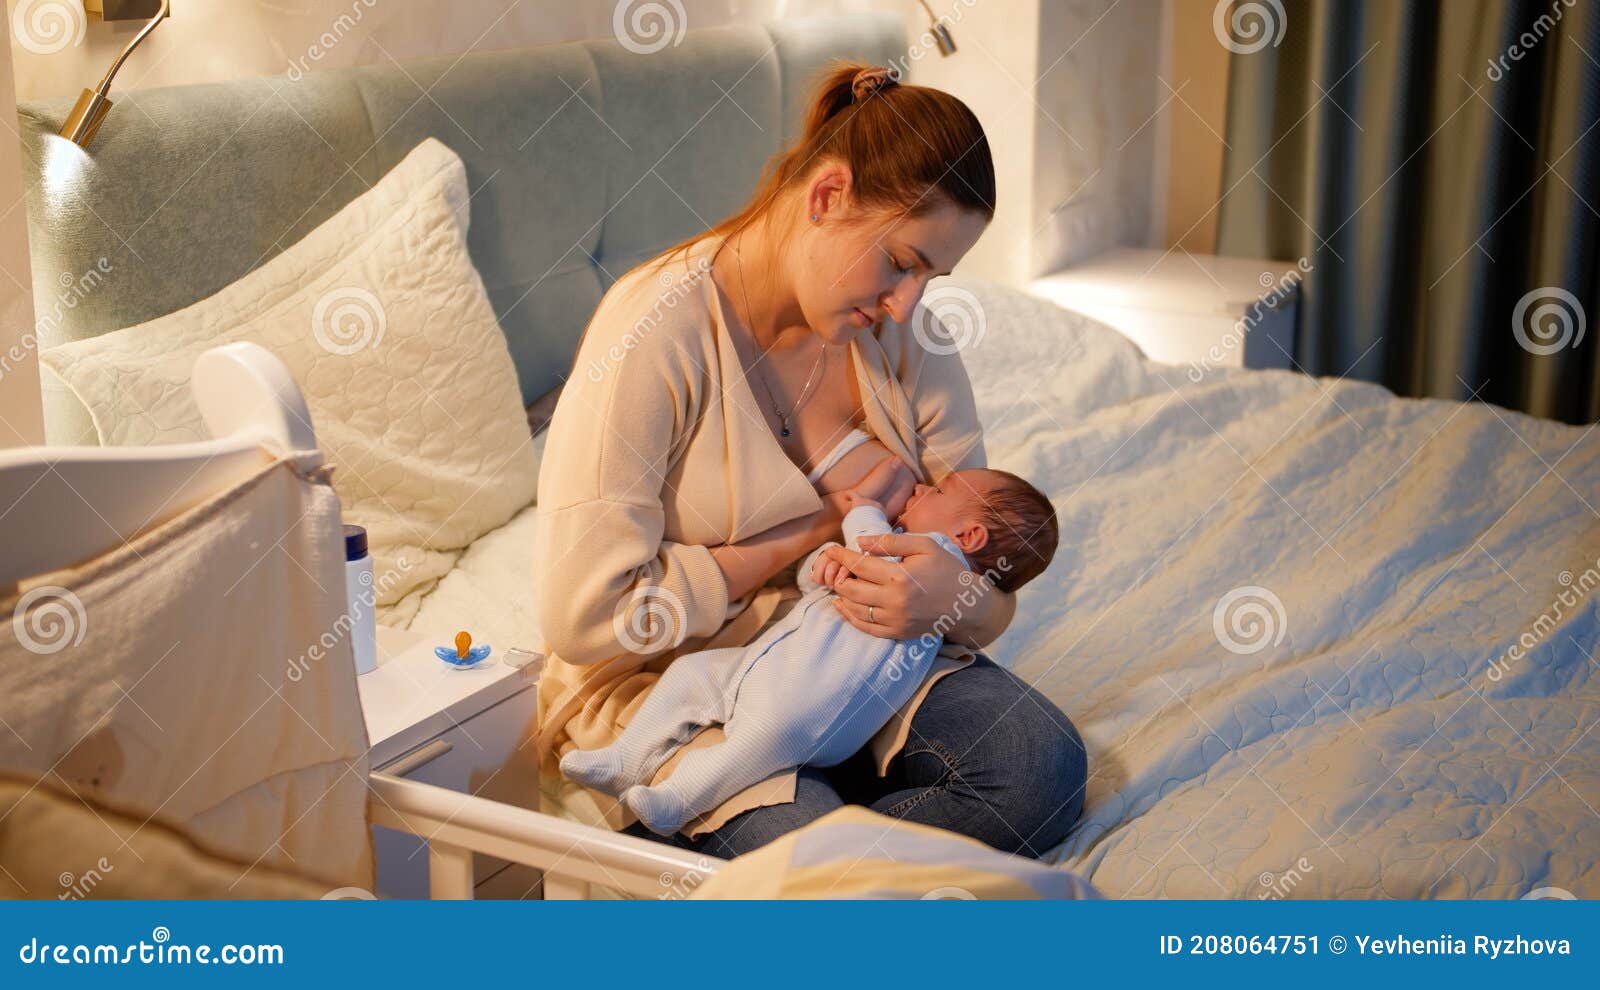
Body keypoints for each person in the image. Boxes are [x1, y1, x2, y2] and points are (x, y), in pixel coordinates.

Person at [533, 62, 1087, 860]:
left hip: (865, 660)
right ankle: (818, 844)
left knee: (1042, 769)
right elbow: (584, 615)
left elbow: (991, 587)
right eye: (901, 261)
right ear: (826, 197)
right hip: (686, 682)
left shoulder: (904, 335)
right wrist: (810, 532)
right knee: (811, 858)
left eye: (932, 276)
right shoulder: (655, 332)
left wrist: (948, 596)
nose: (908, 306)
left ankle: (832, 859)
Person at [559, 445, 1060, 837]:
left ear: (967, 539)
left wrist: (862, 509)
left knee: (757, 744)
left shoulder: (932, 551)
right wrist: (822, 563)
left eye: (939, 492)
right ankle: (626, 761)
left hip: (806, 705)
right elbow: (831, 578)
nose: (922, 489)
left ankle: (679, 801)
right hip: (767, 660)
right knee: (693, 673)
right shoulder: (919, 549)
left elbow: (868, 542)